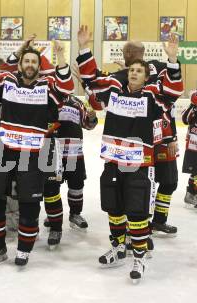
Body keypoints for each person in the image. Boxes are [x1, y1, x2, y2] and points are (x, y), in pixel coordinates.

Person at [76, 25, 183, 283]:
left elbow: (174, 90)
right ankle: (118, 246)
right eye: (131, 70)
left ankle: (139, 256)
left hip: (139, 164)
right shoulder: (113, 89)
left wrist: (172, 59)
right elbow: (91, 79)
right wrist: (84, 47)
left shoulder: (154, 95)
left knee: (136, 211)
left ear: (146, 77)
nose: (134, 74)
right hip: (113, 161)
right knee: (114, 208)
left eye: (139, 71)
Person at [0, 35, 74, 266]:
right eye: (26, 61)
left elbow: (67, 88)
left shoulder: (47, 87)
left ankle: (24, 249)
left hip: (32, 153)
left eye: (34, 62)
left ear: (39, 67)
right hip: (3, 149)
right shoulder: (7, 81)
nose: (29, 65)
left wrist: (60, 56)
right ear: (19, 64)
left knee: (29, 203)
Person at [44, 94, 97, 249]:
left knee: (77, 185)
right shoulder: (48, 97)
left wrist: (92, 118)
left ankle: (75, 213)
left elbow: (88, 125)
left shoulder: (77, 102)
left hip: (74, 151)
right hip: (52, 151)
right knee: (52, 187)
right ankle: (53, 218)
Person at [182, 91, 197, 207]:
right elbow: (184, 119)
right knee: (195, 171)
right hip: (193, 146)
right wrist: (193, 105)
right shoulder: (192, 110)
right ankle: (191, 194)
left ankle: (192, 194)